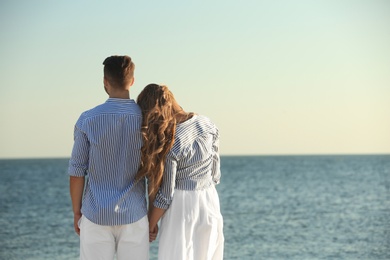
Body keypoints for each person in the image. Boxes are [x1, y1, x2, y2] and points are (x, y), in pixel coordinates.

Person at [68, 55, 149, 260]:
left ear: (105, 81)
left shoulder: (88, 119)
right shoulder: (146, 119)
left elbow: (77, 171)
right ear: (132, 81)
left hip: (95, 215)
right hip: (134, 214)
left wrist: (77, 212)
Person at [136, 84, 224, 260]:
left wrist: (150, 224)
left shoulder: (173, 143)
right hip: (210, 201)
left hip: (182, 207)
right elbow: (215, 175)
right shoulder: (208, 124)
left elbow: (166, 196)